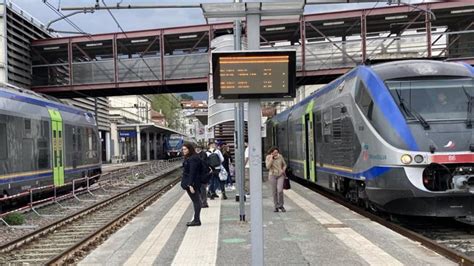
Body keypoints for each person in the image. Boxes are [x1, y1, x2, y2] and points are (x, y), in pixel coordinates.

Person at [180, 143, 202, 226]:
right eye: (183, 149)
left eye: (185, 149)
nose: (183, 151)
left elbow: (193, 172)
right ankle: (196, 219)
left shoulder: (193, 159)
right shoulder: (192, 157)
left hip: (192, 183)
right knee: (196, 201)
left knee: (196, 201)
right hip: (192, 182)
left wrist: (190, 185)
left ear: (189, 149)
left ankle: (197, 220)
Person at [265, 146, 287, 213]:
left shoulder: (280, 156)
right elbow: (267, 167)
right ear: (271, 153)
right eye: (274, 153)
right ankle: (276, 206)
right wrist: (271, 159)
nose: (276, 154)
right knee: (274, 191)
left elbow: (285, 164)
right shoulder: (268, 157)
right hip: (272, 175)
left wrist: (283, 170)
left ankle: (281, 205)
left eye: (277, 152)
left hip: (280, 175)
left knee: (280, 190)